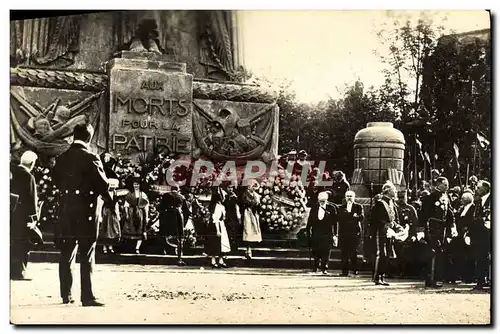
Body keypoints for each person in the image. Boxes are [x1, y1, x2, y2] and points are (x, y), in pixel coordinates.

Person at [52, 123, 113, 306]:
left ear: (74, 135)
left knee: (66, 253)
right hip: (86, 212)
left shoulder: (62, 158)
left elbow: (56, 180)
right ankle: (87, 297)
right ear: (89, 138)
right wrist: (111, 199)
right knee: (87, 254)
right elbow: (102, 185)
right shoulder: (91, 158)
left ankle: (66, 295)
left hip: (66, 211)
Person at [417, 176, 457, 288]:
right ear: (438, 185)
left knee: (439, 253)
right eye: (445, 184)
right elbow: (423, 215)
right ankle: (430, 279)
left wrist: (452, 226)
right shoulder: (430, 198)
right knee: (431, 252)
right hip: (432, 228)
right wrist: (421, 230)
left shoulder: (446, 196)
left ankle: (436, 278)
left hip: (442, 229)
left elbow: (449, 213)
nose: (447, 186)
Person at [10, 150, 39, 281]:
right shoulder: (28, 177)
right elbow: (32, 199)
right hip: (23, 217)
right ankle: (19, 272)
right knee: (23, 244)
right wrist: (34, 219)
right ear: (32, 163)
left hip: (11, 214)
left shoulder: (12, 172)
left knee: (12, 242)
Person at [370, 181, 400, 286]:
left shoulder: (392, 203)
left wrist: (397, 226)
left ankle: (382, 276)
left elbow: (393, 219)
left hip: (389, 232)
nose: (396, 191)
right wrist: (385, 225)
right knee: (382, 254)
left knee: (387, 255)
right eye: (394, 190)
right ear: (388, 191)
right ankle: (377, 277)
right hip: (381, 232)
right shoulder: (380, 203)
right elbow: (373, 218)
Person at [306, 191, 337, 274]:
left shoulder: (332, 208)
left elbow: (335, 223)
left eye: (324, 201)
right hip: (316, 232)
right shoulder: (314, 208)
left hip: (327, 233)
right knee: (316, 250)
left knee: (326, 251)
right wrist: (308, 231)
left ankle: (324, 268)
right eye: (320, 201)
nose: (322, 203)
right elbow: (310, 221)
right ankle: (315, 266)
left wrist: (335, 234)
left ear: (327, 200)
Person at [159, 185, 190, 265]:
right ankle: (179, 258)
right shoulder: (182, 197)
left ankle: (163, 253)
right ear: (178, 190)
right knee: (180, 238)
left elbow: (160, 208)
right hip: (179, 217)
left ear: (171, 189)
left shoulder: (166, 196)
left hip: (168, 216)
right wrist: (184, 222)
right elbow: (186, 211)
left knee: (165, 234)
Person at [337, 190, 364, 276]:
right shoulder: (341, 207)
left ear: (354, 197)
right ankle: (344, 271)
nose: (349, 198)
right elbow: (340, 218)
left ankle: (355, 270)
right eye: (347, 196)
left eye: (351, 196)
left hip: (354, 232)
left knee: (353, 252)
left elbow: (361, 217)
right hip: (344, 232)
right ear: (345, 197)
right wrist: (352, 216)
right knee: (344, 252)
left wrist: (349, 216)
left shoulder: (358, 206)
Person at [471, 180, 491, 290]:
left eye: (478, 188)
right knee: (480, 257)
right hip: (479, 234)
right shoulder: (478, 201)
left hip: (489, 232)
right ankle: (480, 282)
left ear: (485, 189)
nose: (476, 190)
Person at [122, 176, 150, 254]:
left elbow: (146, 205)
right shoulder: (130, 194)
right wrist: (127, 214)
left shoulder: (143, 194)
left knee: (140, 229)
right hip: (131, 213)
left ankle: (137, 248)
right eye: (135, 184)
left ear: (140, 185)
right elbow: (126, 206)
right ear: (133, 185)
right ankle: (130, 248)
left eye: (137, 184)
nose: (136, 186)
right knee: (130, 229)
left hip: (140, 213)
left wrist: (146, 216)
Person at [205, 187, 230, 268]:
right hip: (216, 226)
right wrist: (218, 230)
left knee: (222, 244)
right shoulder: (216, 206)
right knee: (215, 243)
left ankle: (220, 260)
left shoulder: (221, 206)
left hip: (221, 225)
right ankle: (213, 261)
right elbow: (215, 218)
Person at [394, 190, 417, 277]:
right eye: (399, 198)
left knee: (406, 253)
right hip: (397, 234)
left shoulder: (411, 209)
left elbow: (415, 223)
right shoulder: (395, 208)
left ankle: (406, 271)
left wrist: (414, 235)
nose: (401, 200)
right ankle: (397, 271)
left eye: (403, 198)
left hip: (408, 235)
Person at [97, 178, 121, 254]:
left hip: (112, 213)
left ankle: (110, 246)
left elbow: (116, 204)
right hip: (106, 212)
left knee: (112, 230)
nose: (112, 186)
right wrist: (100, 216)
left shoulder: (115, 193)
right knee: (105, 229)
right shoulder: (103, 194)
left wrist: (118, 214)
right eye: (111, 185)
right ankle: (104, 246)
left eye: (114, 185)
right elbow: (100, 205)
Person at [241, 180, 262, 259]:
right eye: (252, 186)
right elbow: (245, 203)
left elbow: (258, 204)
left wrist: (257, 204)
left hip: (254, 214)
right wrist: (253, 203)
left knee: (254, 231)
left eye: (255, 187)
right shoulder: (245, 194)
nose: (254, 188)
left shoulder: (256, 195)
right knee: (248, 230)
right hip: (247, 213)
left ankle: (250, 249)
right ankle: (248, 249)